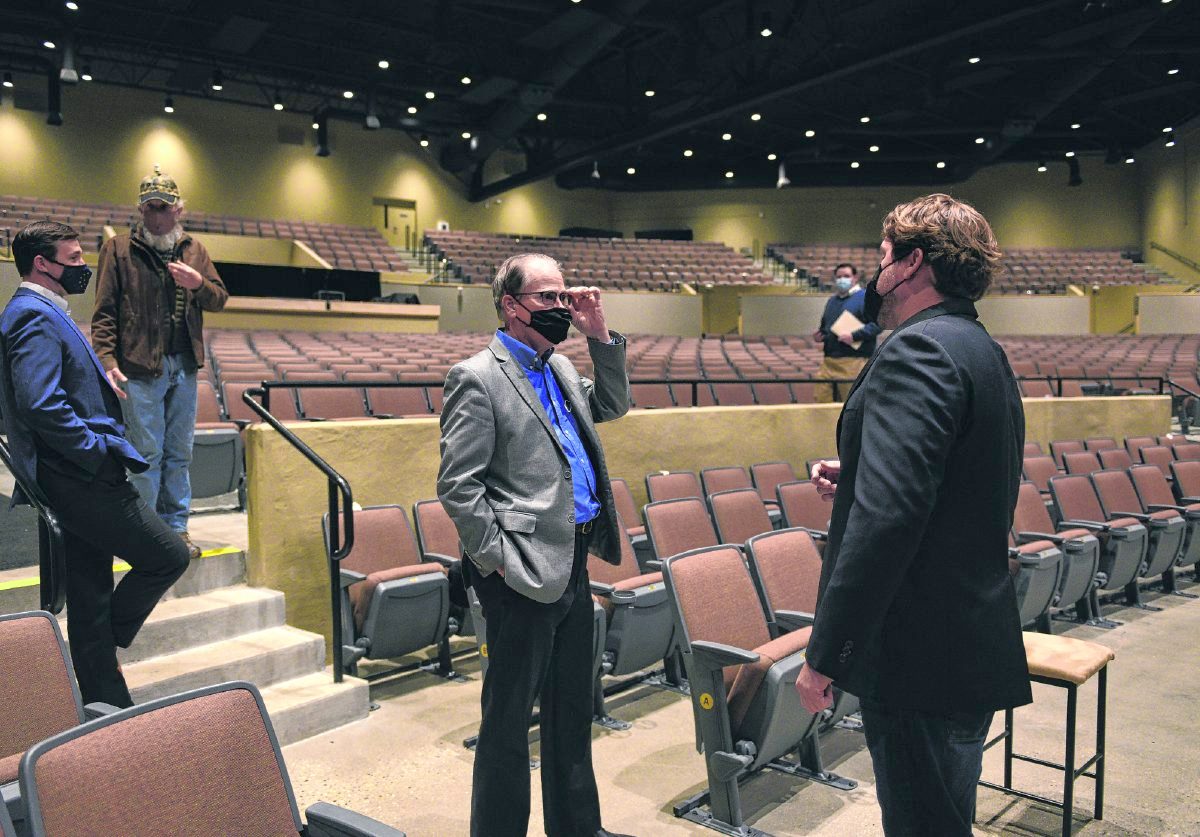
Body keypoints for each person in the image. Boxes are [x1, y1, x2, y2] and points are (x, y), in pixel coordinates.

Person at [794, 194, 1031, 836]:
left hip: (917, 656)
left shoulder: (916, 352)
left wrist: (827, 653)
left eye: (882, 257)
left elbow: (887, 523)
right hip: (965, 644)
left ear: (911, 263)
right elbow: (964, 474)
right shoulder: (979, 348)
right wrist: (864, 470)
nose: (876, 274)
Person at [437, 254, 633, 837]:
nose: (559, 309)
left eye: (563, 297)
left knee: (573, 710)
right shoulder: (477, 376)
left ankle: (577, 829)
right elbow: (457, 486)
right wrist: (497, 562)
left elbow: (614, 406)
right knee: (507, 722)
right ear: (509, 305)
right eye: (547, 298)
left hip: (572, 561)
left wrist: (600, 337)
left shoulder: (563, 368)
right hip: (521, 573)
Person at [0, 221, 191, 706]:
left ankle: (105, 702)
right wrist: (93, 451)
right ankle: (106, 646)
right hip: (79, 474)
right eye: (75, 259)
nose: (84, 267)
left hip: (72, 472)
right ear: (43, 264)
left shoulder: (42, 310)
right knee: (167, 554)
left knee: (90, 592)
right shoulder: (32, 315)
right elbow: (39, 403)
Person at [91, 166, 228, 559]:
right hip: (138, 367)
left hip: (183, 366)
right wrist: (106, 358)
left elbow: (220, 298)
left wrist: (197, 284)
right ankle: (145, 532)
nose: (155, 215)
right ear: (140, 209)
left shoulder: (194, 250)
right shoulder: (117, 249)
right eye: (149, 208)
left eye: (163, 208)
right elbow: (104, 313)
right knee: (145, 453)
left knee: (179, 453)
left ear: (179, 210)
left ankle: (176, 529)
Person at [812, 263, 880, 403]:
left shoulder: (865, 297)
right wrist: (821, 335)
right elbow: (826, 326)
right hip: (829, 361)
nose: (842, 279)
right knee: (821, 402)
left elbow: (878, 325)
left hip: (854, 361)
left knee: (849, 405)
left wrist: (854, 336)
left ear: (855, 278)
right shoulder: (832, 301)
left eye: (846, 276)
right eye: (839, 277)